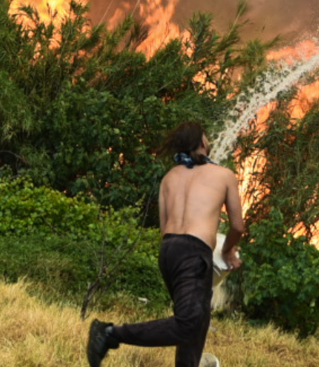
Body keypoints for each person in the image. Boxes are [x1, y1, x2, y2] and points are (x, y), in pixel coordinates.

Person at [87, 121, 245, 367]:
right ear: (202, 141)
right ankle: (109, 334)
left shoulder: (169, 178)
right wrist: (228, 252)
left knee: (196, 325)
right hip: (194, 254)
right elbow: (237, 227)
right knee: (188, 324)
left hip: (170, 252)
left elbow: (165, 227)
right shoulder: (224, 175)